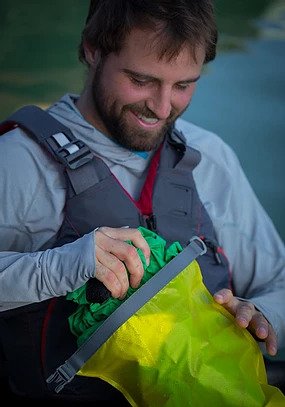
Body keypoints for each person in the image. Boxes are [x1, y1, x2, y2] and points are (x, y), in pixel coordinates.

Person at [0, 0, 284, 403]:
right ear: (93, 50)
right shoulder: (15, 161)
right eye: (141, 79)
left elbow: (280, 282)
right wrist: (57, 267)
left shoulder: (211, 157)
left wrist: (264, 316)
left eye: (184, 85)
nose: (163, 108)